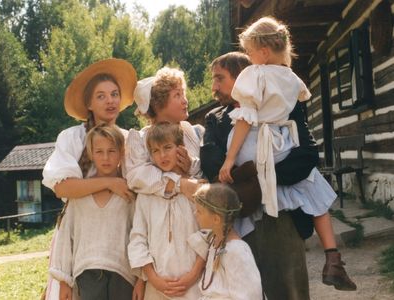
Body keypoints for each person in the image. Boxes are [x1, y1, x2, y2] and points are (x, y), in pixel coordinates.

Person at [219, 17, 356, 291]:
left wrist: (230, 158)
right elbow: (300, 98)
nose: (249, 58)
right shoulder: (291, 78)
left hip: (254, 141)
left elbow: (245, 119)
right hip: (280, 142)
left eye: (249, 52)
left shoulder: (254, 75)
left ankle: (329, 259)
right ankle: (333, 258)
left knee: (291, 180)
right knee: (315, 186)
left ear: (263, 52)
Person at [42, 58, 143, 299]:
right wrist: (110, 182)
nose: (110, 100)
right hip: (83, 235)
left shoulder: (131, 140)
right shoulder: (73, 137)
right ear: (88, 103)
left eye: (114, 94)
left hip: (121, 237)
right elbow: (62, 187)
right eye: (101, 96)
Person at [125, 67, 205, 297]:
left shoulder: (188, 132)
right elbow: (138, 178)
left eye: (183, 93)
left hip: (190, 223)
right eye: (177, 95)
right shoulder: (141, 139)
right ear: (158, 103)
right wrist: (179, 184)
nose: (185, 100)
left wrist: (190, 167)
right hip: (157, 225)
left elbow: (200, 178)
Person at [50, 124, 136, 300]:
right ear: (91, 154)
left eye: (112, 151)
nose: (106, 157)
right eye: (99, 152)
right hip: (87, 274)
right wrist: (64, 281)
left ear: (121, 152)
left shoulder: (129, 193)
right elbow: (66, 237)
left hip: (124, 275)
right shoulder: (80, 195)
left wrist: (142, 279)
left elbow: (140, 235)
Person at [193, 183, 263, 300]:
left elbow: (250, 296)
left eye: (199, 211)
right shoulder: (214, 241)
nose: (195, 214)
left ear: (216, 219)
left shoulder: (237, 251)